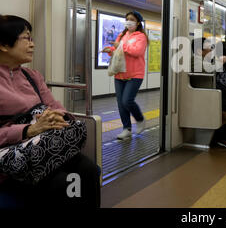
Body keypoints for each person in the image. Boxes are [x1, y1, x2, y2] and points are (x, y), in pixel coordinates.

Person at [0, 15, 100, 208]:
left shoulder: (32, 76)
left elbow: (54, 105)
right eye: (26, 38)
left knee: (89, 170)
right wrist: (29, 130)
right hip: (12, 157)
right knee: (62, 184)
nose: (32, 44)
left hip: (44, 149)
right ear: (4, 45)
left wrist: (57, 116)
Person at [102, 11, 149, 140]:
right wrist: (109, 50)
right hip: (120, 73)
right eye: (127, 19)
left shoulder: (141, 37)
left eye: (131, 19)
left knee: (127, 100)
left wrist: (121, 46)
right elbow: (117, 50)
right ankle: (126, 129)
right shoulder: (122, 35)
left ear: (138, 22)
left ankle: (140, 119)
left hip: (135, 74)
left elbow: (137, 51)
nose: (128, 21)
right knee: (121, 103)